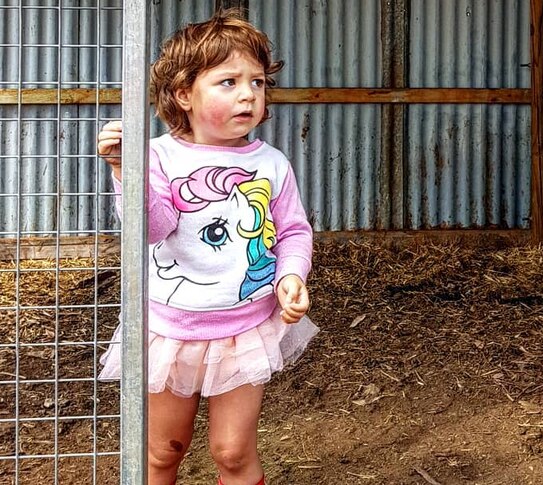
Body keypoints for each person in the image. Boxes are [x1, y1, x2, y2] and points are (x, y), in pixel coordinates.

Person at [96, 9, 317, 485]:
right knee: (161, 452)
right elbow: (154, 229)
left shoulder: (272, 164)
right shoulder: (157, 155)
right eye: (228, 82)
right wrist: (124, 172)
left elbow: (294, 231)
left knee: (233, 453)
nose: (248, 94)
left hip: (243, 331)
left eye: (257, 82)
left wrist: (291, 276)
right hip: (170, 332)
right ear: (183, 94)